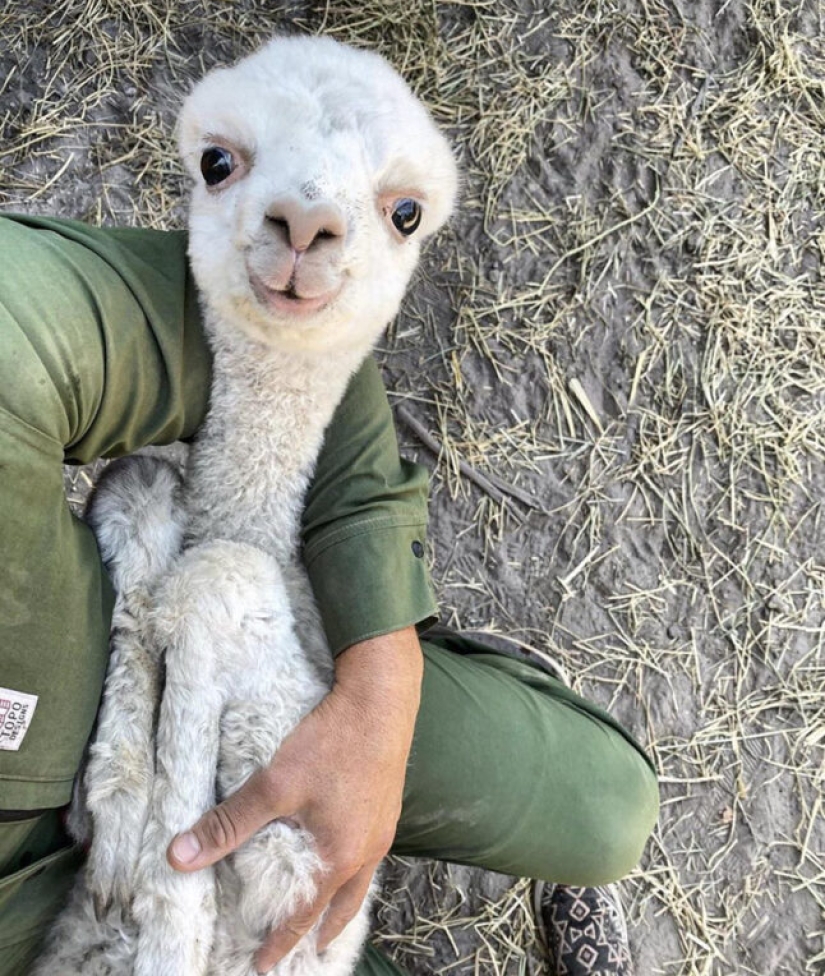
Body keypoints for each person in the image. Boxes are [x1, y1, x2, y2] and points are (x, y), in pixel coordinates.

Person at [0, 213, 659, 975]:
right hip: (55, 940)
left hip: (194, 642)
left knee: (607, 809)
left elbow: (281, 341)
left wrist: (378, 676)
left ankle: (343, 621)